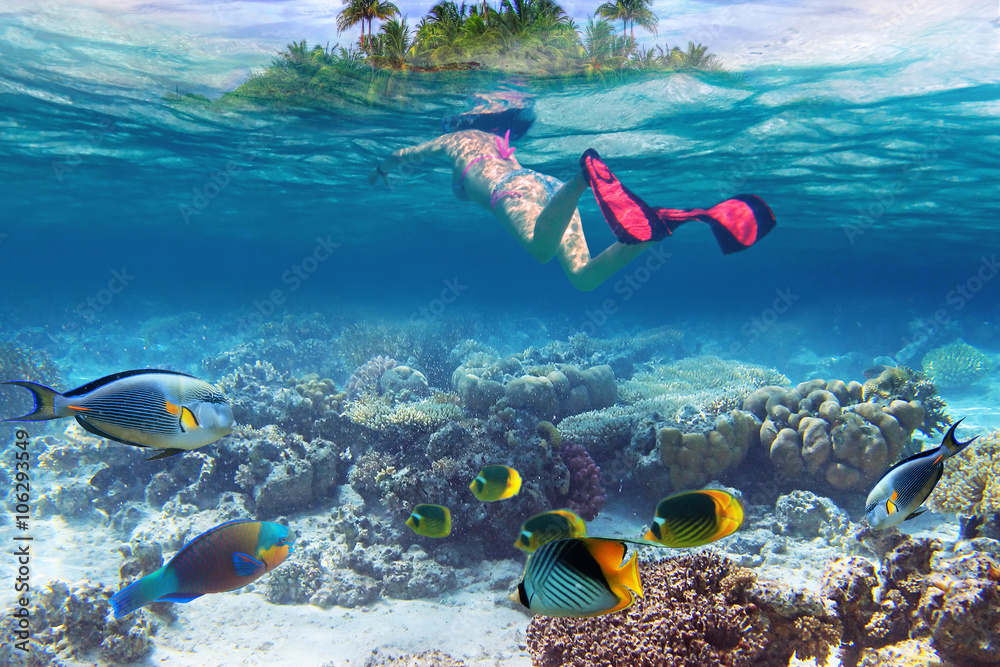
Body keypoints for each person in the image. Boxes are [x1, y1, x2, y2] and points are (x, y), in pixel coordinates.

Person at [368, 129, 775, 291]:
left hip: (513, 191)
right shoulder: (493, 138)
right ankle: (663, 225)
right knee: (583, 279)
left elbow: (406, 154)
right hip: (544, 186)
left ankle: (584, 176)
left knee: (541, 250)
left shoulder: (455, 140)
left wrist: (380, 171)